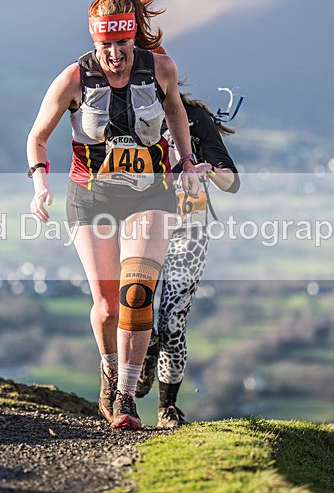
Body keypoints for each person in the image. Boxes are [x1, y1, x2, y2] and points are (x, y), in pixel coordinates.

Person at [26, 0, 201, 430]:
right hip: (92, 197)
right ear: (94, 41)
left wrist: (186, 161)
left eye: (122, 45)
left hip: (151, 194)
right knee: (107, 306)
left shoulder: (160, 69)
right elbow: (38, 137)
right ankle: (109, 370)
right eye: (106, 46)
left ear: (132, 39)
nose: (115, 56)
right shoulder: (73, 79)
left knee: (137, 291)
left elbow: (177, 112)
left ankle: (125, 398)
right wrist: (40, 184)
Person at [135, 91, 240, 428]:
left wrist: (208, 173)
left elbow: (232, 181)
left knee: (173, 322)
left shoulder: (194, 117)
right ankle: (145, 351)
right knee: (137, 310)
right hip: (141, 227)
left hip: (188, 230)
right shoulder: (122, 107)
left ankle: (168, 407)